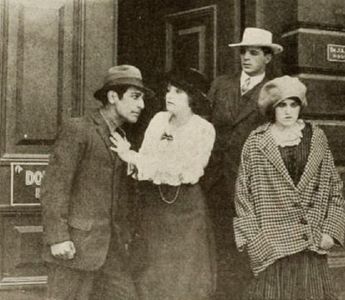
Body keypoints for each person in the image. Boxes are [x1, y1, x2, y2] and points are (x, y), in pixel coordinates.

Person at [41, 65, 153, 300]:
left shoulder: (122, 138)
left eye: (141, 98)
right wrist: (58, 237)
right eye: (135, 96)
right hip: (75, 249)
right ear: (113, 96)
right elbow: (55, 186)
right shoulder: (78, 129)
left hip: (111, 251)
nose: (141, 105)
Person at [234, 76, 345, 300]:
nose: (288, 111)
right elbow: (242, 197)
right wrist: (256, 241)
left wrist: (331, 231)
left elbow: (335, 187)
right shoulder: (257, 142)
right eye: (281, 105)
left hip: (310, 243)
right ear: (272, 108)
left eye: (293, 104)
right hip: (273, 247)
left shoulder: (316, 138)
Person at [110, 68, 216, 300]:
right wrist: (137, 159)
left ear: (192, 98)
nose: (169, 96)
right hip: (155, 205)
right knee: (153, 270)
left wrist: (132, 157)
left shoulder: (203, 129)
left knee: (184, 274)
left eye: (178, 92)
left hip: (186, 210)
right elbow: (147, 159)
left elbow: (186, 170)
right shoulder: (159, 120)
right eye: (168, 90)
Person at [203, 27, 283, 298]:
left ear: (268, 58)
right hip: (215, 181)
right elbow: (203, 127)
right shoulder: (221, 85)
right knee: (220, 243)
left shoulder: (275, 91)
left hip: (252, 185)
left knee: (250, 248)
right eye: (243, 52)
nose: (246, 57)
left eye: (254, 52)